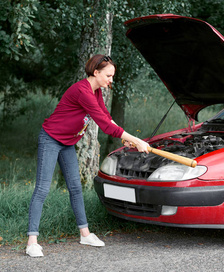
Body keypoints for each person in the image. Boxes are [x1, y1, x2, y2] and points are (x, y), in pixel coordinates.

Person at [26, 54, 149, 257]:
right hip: (50, 139)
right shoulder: (82, 91)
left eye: (112, 76)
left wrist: (124, 137)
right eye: (108, 76)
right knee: (42, 188)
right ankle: (32, 242)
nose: (111, 80)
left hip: (67, 142)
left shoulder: (96, 92)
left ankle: (85, 234)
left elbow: (107, 118)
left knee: (76, 187)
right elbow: (105, 125)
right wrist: (136, 140)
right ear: (96, 72)